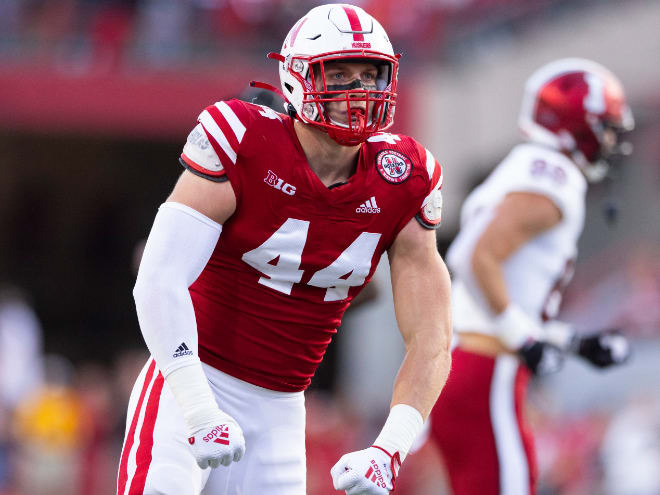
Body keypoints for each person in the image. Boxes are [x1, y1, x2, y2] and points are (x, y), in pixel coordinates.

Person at [116, 4, 452, 495]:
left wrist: (390, 449)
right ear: (297, 78)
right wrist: (197, 404)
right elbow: (157, 276)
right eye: (338, 74)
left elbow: (433, 338)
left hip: (281, 408)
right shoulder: (244, 141)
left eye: (370, 74)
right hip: (189, 379)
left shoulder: (403, 177)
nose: (357, 90)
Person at [427, 58, 634, 495]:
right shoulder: (554, 177)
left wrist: (572, 343)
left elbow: (499, 292)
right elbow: (474, 257)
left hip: (468, 368)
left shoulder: (532, 167)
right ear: (578, 124)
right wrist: (524, 339)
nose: (612, 139)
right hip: (486, 371)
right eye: (607, 126)